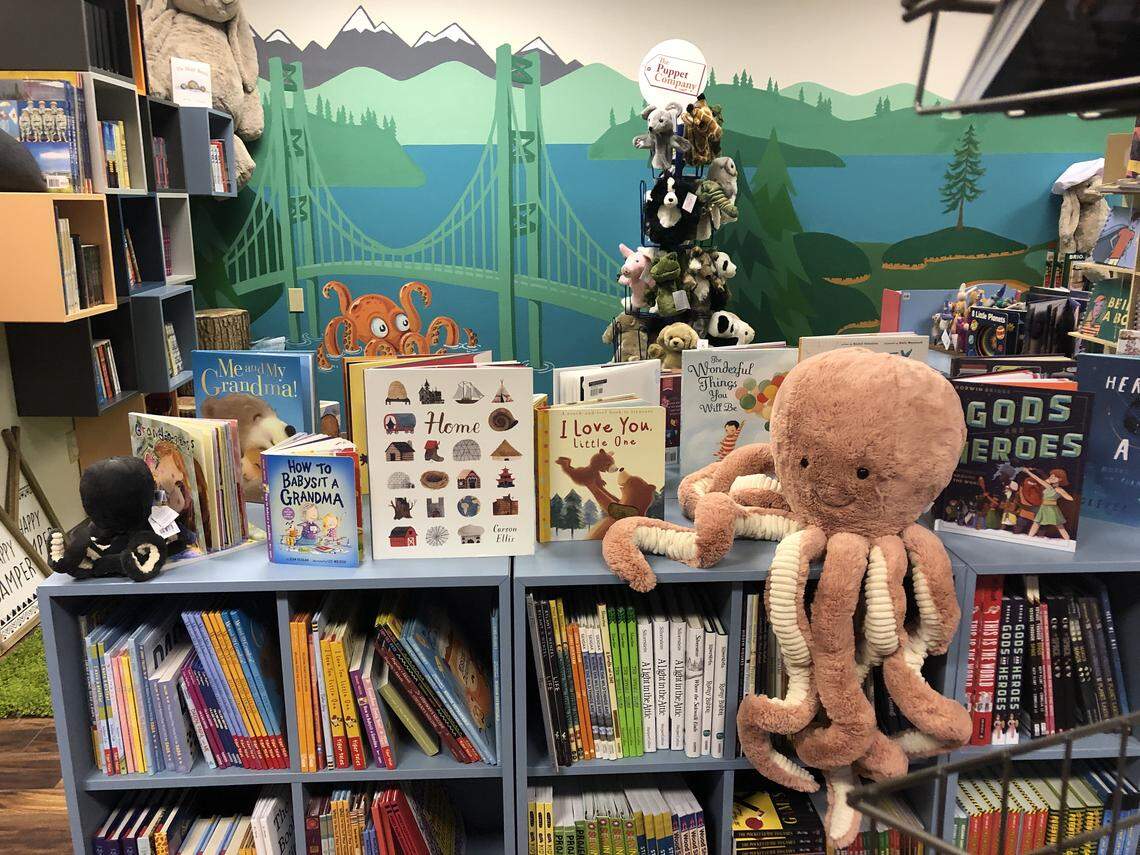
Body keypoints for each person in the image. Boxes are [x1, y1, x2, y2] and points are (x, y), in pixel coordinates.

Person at [1024, 468, 1073, 540]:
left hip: (1052, 509)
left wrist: (1062, 494)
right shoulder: (1048, 486)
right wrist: (1028, 471)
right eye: (1051, 476)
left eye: (1054, 476)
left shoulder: (1059, 489)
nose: (1051, 477)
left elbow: (1070, 498)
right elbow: (1037, 478)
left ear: (1060, 479)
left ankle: (1067, 540)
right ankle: (1029, 538)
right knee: (1036, 523)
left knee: (1059, 526)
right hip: (1043, 507)